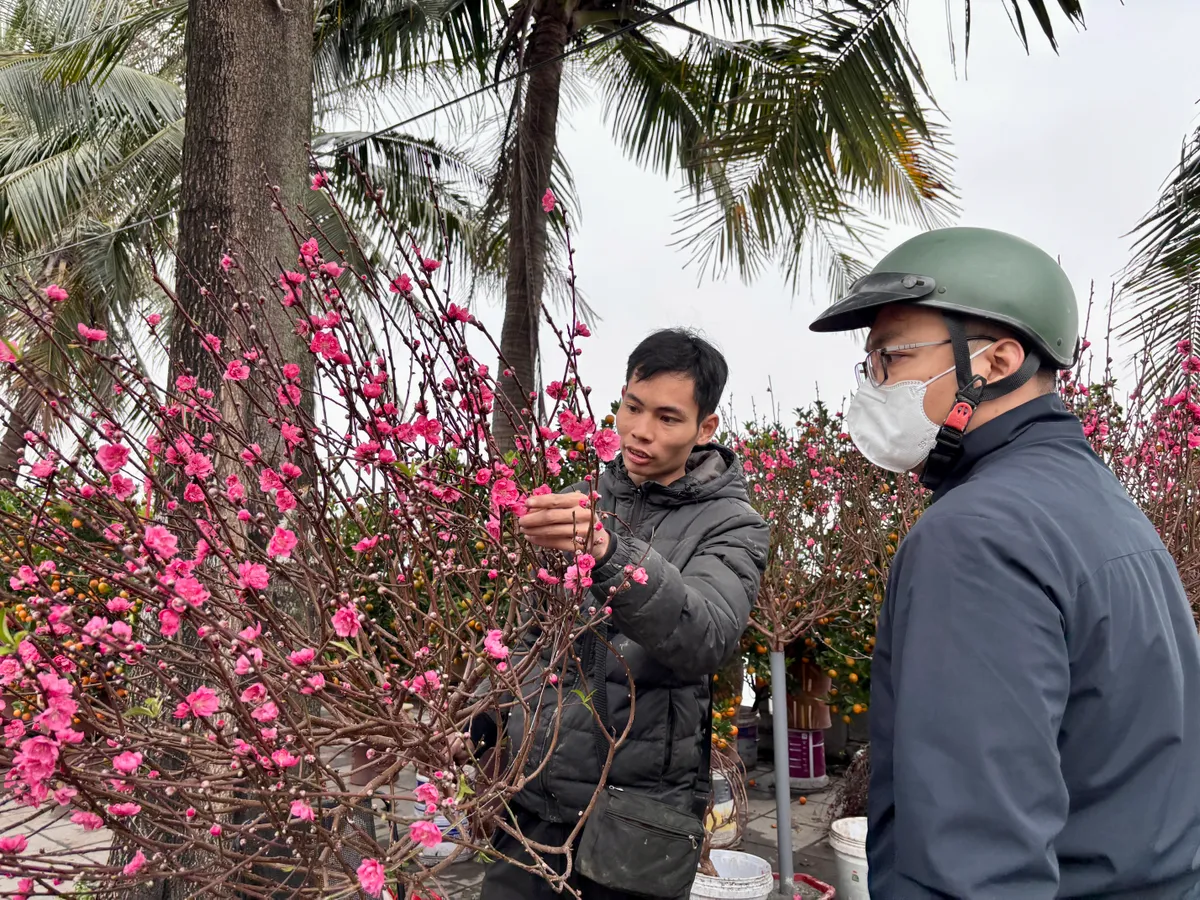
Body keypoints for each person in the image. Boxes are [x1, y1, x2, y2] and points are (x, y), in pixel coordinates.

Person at [808, 226, 1200, 899]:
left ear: (996, 360)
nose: (874, 386)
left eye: (891, 357)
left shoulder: (976, 536)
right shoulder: (1097, 502)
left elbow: (975, 863)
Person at [477, 328, 769, 899]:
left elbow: (704, 636)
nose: (640, 432)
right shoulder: (577, 500)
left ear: (705, 428)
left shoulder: (734, 524)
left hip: (638, 818)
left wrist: (611, 553)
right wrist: (486, 726)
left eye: (667, 417)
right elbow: (526, 637)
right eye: (632, 407)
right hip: (533, 801)